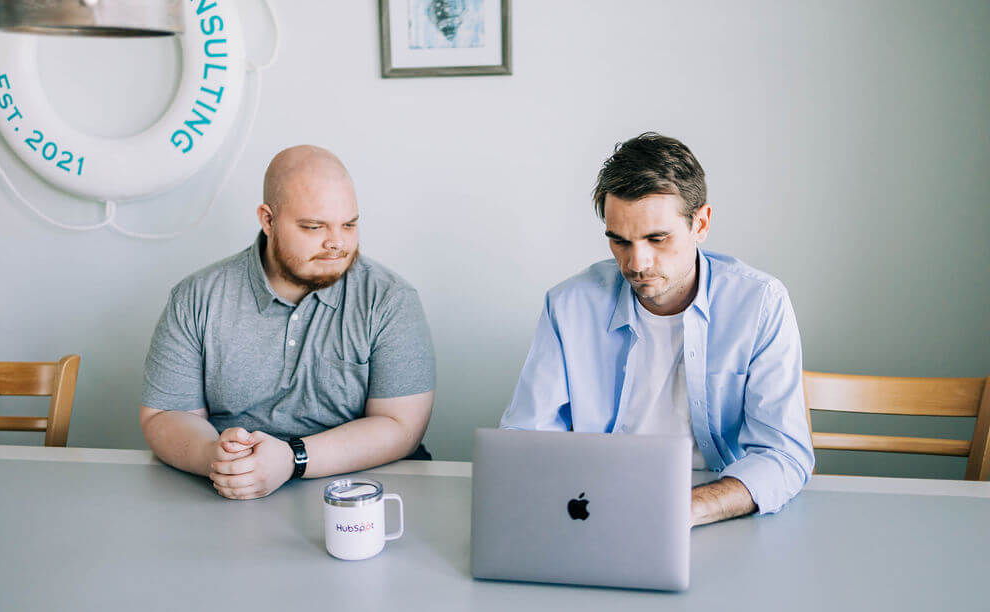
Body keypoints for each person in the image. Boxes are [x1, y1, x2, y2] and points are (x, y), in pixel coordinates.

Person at [500, 132, 813, 525]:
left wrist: (684, 510)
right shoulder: (568, 305)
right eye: (620, 241)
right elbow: (526, 438)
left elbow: (783, 455)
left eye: (656, 238)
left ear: (701, 224)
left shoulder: (760, 303)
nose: (637, 263)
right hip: (595, 509)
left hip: (720, 512)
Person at [140, 145, 436, 500]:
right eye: (314, 226)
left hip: (358, 495)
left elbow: (401, 427)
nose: (337, 243)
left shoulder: (389, 299)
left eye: (350, 225)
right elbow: (164, 416)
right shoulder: (196, 298)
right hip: (224, 493)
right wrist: (216, 458)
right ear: (268, 220)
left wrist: (293, 459)